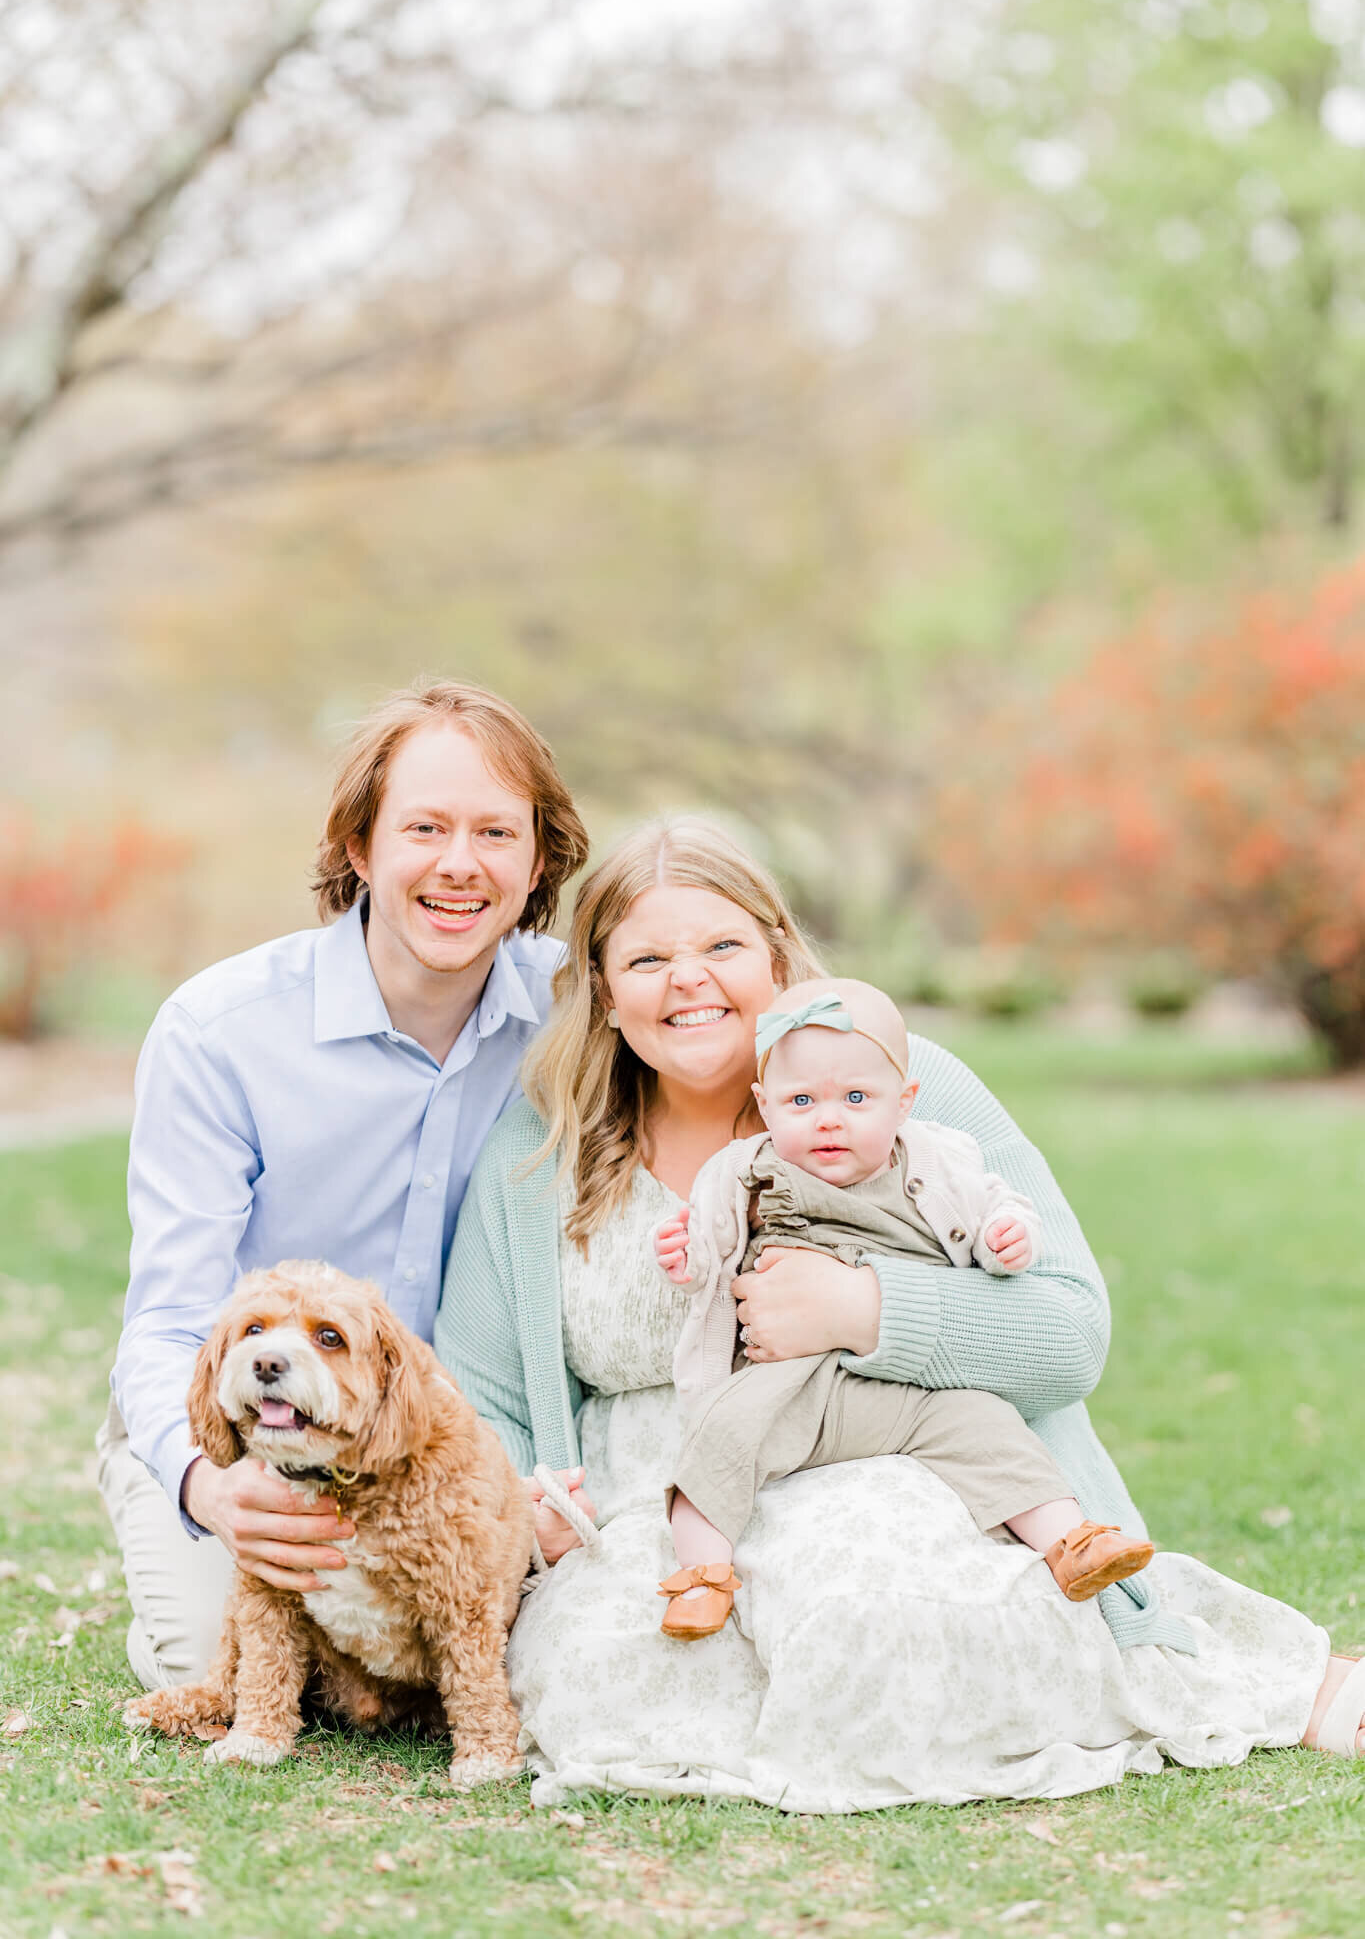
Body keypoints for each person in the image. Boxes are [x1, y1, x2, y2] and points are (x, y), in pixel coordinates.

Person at [435, 816, 1365, 1811]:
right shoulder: (541, 1144)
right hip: (656, 1512)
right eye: (648, 956)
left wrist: (867, 1305)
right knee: (606, 1678)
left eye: (721, 947)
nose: (686, 978)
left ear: (780, 955)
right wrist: (524, 1510)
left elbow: (1067, 1330)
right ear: (603, 988)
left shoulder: (898, 1087)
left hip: (886, 1460)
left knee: (883, 1608)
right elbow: (476, 1390)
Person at [98, 679, 588, 1691]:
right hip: (254, 1424)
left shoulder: (578, 1012)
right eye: (425, 827)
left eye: (497, 831)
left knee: (544, 1657)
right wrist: (211, 1484)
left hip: (449, 1445)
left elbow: (764, 1033)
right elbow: (173, 1312)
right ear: (360, 846)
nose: (461, 864)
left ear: (538, 858)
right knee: (213, 1663)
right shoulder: (219, 1030)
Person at [652, 974, 1153, 1640]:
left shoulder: (938, 1158)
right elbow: (710, 1250)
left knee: (988, 1426)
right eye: (800, 1100)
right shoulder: (744, 1168)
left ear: (903, 1102)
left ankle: (1071, 1541)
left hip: (909, 1384)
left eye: (856, 1097)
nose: (828, 1118)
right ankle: (702, 1576)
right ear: (764, 1105)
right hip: (787, 1383)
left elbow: (993, 1206)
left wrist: (1007, 1237)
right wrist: (687, 1262)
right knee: (717, 1437)